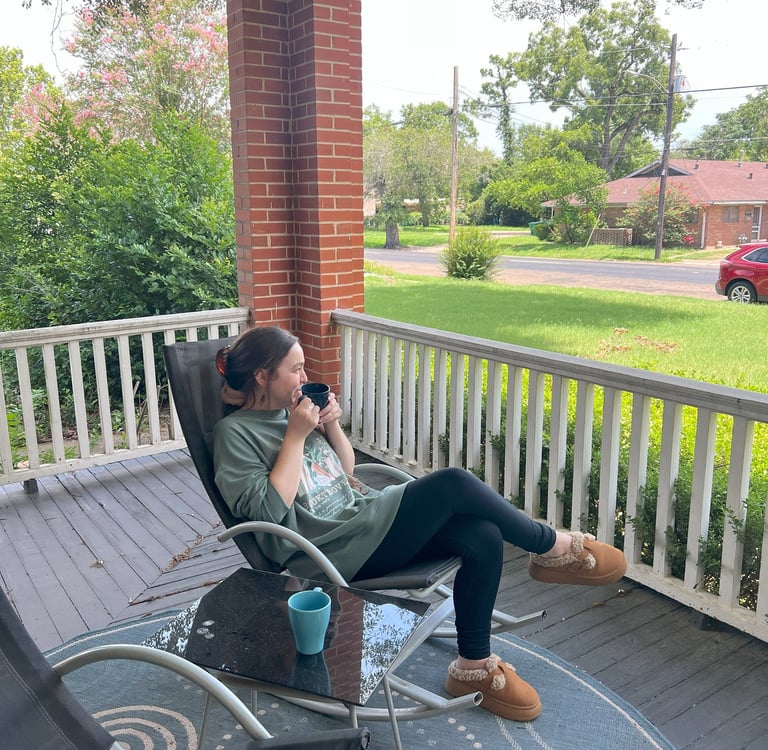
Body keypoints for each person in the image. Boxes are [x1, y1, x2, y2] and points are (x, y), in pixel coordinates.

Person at [212, 326, 627, 722]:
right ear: (263, 376)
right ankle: (551, 546)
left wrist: (330, 425)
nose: (305, 377)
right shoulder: (235, 435)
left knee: (481, 534)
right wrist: (297, 436)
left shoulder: (294, 414)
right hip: (333, 549)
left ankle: (473, 666)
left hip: (362, 518)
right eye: (296, 369)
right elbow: (265, 513)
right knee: (453, 484)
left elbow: (341, 472)